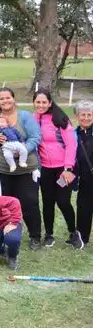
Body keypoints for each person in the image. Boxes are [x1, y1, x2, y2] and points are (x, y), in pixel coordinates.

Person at [0, 87, 41, 250]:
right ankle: (6, 235)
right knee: (3, 205)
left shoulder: (25, 116)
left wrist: (23, 150)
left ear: (14, 99)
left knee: (29, 202)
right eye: (2, 98)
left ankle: (35, 236)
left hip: (24, 168)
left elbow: (35, 137)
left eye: (8, 97)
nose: (5, 101)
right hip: (0, 169)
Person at [33, 90, 81, 249]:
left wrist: (68, 168)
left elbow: (71, 145)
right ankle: (49, 234)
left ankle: (73, 232)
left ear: (50, 103)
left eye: (44, 102)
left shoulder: (60, 118)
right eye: (38, 102)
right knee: (47, 202)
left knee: (63, 201)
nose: (41, 105)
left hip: (63, 169)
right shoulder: (34, 118)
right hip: (45, 169)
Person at [74, 100, 93, 247]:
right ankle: (82, 238)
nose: (86, 118)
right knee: (83, 207)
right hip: (84, 178)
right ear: (77, 116)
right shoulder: (73, 134)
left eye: (89, 115)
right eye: (83, 115)